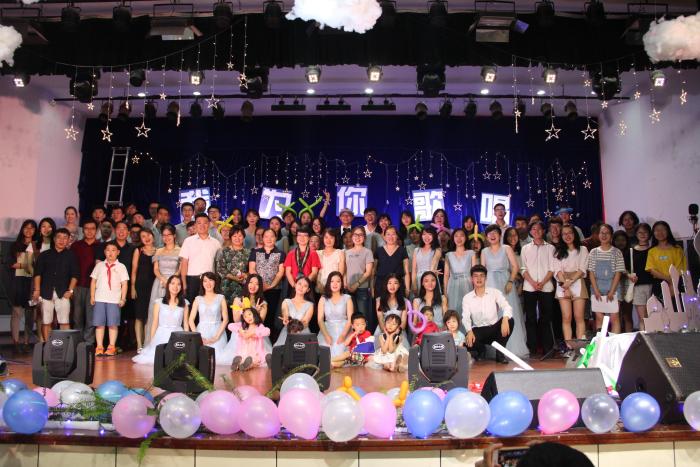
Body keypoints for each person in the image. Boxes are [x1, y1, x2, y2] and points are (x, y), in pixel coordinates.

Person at [481, 225, 528, 358]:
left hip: (505, 284)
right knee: (492, 315)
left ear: (500, 235)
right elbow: (482, 270)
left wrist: (510, 281)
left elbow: (515, 266)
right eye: (489, 233)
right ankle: (493, 349)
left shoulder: (506, 248)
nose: (492, 235)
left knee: (507, 313)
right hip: (490, 285)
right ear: (486, 237)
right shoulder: (484, 251)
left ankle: (512, 348)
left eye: (495, 233)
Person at [33, 228, 79, 342]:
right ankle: (47, 345)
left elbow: (75, 275)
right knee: (46, 321)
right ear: (54, 239)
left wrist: (70, 290)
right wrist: (37, 290)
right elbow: (37, 274)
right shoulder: (44, 255)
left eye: (65, 238)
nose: (61, 240)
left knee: (64, 321)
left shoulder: (71, 255)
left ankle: (65, 347)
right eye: (59, 237)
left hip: (63, 292)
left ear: (68, 240)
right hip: (45, 292)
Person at [461, 265, 513, 363]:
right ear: (472, 279)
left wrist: (505, 319)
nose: (479, 279)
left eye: (482, 276)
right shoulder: (467, 298)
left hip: (494, 329)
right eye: (476, 276)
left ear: (486, 278)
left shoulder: (495, 292)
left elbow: (507, 306)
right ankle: (481, 350)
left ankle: (500, 354)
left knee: (510, 320)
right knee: (466, 342)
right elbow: (465, 317)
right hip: (479, 330)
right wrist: (469, 331)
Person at [132, 276, 189, 364]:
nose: (175, 286)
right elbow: (155, 323)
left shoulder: (184, 303)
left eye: (178, 284)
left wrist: (187, 339)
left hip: (178, 335)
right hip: (161, 334)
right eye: (173, 283)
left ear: (181, 287)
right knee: (158, 358)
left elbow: (185, 323)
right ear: (168, 285)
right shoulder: (159, 302)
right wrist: (152, 340)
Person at [520, 221, 556, 355]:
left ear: (544, 230)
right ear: (530, 231)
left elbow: (552, 268)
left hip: (546, 287)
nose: (536, 231)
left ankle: (547, 347)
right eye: (534, 229)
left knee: (546, 318)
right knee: (530, 318)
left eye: (539, 229)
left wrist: (542, 282)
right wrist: (533, 282)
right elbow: (523, 268)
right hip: (529, 287)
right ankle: (532, 347)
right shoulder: (525, 248)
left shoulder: (550, 248)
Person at [221, 274, 270, 366]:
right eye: (251, 282)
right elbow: (236, 320)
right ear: (247, 284)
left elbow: (260, 323)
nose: (253, 286)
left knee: (258, 356)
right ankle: (241, 362)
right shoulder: (238, 300)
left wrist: (256, 312)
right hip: (241, 332)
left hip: (255, 335)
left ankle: (250, 362)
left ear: (260, 287)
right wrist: (242, 310)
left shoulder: (262, 303)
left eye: (257, 284)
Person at [90, 242, 129, 357]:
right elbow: (93, 281)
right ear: (104, 252)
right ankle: (99, 346)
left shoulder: (121, 267)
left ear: (118, 252)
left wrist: (123, 298)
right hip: (100, 298)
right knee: (99, 324)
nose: (110, 253)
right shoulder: (99, 266)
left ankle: (111, 346)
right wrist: (92, 296)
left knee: (113, 324)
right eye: (108, 250)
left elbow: (124, 284)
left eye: (113, 250)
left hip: (114, 299)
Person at [553, 225, 590, 346]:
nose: (567, 236)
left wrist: (570, 282)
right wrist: (566, 285)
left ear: (575, 234)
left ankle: (580, 347)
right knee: (566, 317)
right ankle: (569, 346)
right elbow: (557, 270)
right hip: (562, 283)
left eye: (570, 233)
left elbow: (582, 269)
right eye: (564, 234)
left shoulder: (583, 249)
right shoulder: (558, 251)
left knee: (579, 317)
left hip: (577, 281)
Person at [145, 224, 181, 345]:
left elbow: (180, 269)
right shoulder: (159, 251)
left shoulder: (180, 250)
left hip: (174, 283)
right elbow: (156, 269)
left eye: (169, 235)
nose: (166, 238)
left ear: (174, 235)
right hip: (159, 283)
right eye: (164, 235)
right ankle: (153, 343)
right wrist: (163, 279)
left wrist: (171, 281)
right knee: (156, 312)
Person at [249, 228, 286, 341]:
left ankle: (268, 341)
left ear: (276, 238)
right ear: (263, 238)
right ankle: (254, 337)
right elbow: (252, 269)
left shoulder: (281, 253)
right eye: (266, 236)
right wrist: (260, 285)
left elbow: (280, 272)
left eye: (272, 236)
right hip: (257, 289)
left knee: (270, 314)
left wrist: (271, 286)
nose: (269, 239)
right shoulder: (255, 252)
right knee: (255, 313)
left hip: (274, 289)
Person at [587, 224, 625, 334]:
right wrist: (596, 291)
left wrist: (612, 291)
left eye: (607, 233)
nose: (604, 235)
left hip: (613, 288)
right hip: (597, 288)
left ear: (611, 235)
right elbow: (591, 273)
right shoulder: (593, 252)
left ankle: (614, 342)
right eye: (601, 233)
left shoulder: (617, 252)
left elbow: (618, 273)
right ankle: (602, 341)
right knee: (599, 318)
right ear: (598, 235)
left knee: (614, 318)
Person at [7, 219, 38, 353]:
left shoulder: (37, 246)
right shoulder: (15, 245)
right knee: (16, 313)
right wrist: (28, 264)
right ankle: (15, 342)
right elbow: (11, 263)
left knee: (30, 314)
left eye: (32, 228)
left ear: (35, 230)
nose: (29, 230)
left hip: (32, 283)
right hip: (18, 282)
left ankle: (26, 342)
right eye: (26, 227)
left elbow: (39, 266)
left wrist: (24, 264)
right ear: (22, 229)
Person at [180, 213, 222, 305]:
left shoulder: (216, 243)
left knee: (208, 307)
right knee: (191, 307)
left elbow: (219, 265)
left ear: (209, 224)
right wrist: (184, 284)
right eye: (199, 223)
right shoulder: (188, 241)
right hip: (192, 280)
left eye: (205, 223)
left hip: (209, 281)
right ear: (195, 225)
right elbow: (184, 263)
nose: (202, 225)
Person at [187, 272, 229, 360]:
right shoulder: (198, 299)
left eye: (210, 280)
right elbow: (191, 320)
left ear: (215, 282)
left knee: (218, 359)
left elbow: (225, 319)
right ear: (202, 283)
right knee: (201, 359)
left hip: (217, 331)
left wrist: (216, 337)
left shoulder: (221, 298)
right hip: (201, 331)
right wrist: (198, 337)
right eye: (205, 281)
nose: (208, 283)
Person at [71, 219, 99, 346]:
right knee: (77, 316)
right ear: (83, 230)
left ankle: (88, 343)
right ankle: (77, 343)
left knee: (91, 317)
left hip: (94, 287)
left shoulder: (101, 246)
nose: (89, 231)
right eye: (86, 228)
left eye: (92, 228)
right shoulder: (76, 246)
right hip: (78, 285)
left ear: (96, 230)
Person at [646, 220, 687, 303]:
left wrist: (673, 282)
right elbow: (651, 269)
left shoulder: (677, 249)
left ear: (668, 231)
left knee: (678, 307)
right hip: (659, 284)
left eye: (663, 229)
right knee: (661, 309)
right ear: (653, 233)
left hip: (677, 283)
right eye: (657, 230)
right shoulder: (651, 251)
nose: (660, 232)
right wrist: (668, 279)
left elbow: (681, 268)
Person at [344, 226, 375, 330]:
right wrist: (345, 284)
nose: (358, 237)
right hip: (348, 289)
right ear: (352, 237)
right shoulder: (346, 252)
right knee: (350, 317)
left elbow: (368, 272)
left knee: (363, 317)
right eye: (355, 235)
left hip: (362, 288)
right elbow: (344, 270)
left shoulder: (367, 252)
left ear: (364, 237)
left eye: (360, 235)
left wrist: (356, 284)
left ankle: (365, 338)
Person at [131, 229, 156, 352]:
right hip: (140, 286)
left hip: (153, 286)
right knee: (139, 316)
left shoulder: (158, 251)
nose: (146, 238)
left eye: (148, 235)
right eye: (143, 236)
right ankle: (139, 344)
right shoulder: (138, 251)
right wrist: (132, 287)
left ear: (153, 236)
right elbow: (134, 270)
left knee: (149, 316)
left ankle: (147, 343)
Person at [318, 271, 353, 357]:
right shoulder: (323, 298)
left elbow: (350, 320)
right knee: (326, 351)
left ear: (342, 283)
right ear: (328, 283)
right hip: (327, 328)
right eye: (332, 281)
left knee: (341, 350)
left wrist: (343, 335)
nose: (335, 284)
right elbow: (320, 320)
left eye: (338, 281)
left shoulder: (347, 298)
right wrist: (326, 335)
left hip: (344, 329)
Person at [445, 228, 477, 319]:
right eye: (456, 236)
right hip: (453, 285)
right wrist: (445, 291)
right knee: (453, 310)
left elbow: (474, 272)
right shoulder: (448, 255)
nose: (459, 238)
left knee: (468, 309)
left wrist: (476, 288)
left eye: (462, 235)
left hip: (467, 284)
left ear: (466, 238)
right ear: (453, 238)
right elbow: (446, 275)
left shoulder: (471, 253)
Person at [275, 276, 314, 346]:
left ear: (308, 290)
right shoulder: (286, 301)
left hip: (303, 334)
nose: (301, 287)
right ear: (295, 285)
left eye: (305, 286)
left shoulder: (310, 305)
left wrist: (297, 327)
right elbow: (285, 314)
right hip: (287, 333)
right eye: (299, 284)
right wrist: (286, 320)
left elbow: (305, 322)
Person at [215, 225, 249, 304]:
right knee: (226, 309)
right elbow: (220, 269)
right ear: (231, 237)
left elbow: (251, 270)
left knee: (241, 308)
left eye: (240, 236)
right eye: (234, 236)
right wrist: (234, 277)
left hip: (243, 288)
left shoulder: (249, 252)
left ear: (244, 237)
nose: (237, 238)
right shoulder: (224, 251)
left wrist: (245, 275)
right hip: (226, 287)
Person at [374, 274, 409, 349]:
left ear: (399, 285)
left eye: (395, 283)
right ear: (386, 285)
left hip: (398, 331)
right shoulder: (379, 300)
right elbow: (380, 319)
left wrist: (396, 333)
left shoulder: (404, 301)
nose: (392, 286)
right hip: (383, 330)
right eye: (389, 283)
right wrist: (387, 333)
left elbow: (403, 322)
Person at [630, 223, 654, 330]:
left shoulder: (654, 250)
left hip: (654, 286)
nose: (643, 234)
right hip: (638, 286)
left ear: (649, 234)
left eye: (645, 232)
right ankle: (645, 338)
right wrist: (629, 276)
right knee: (642, 318)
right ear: (636, 234)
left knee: (654, 316)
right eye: (640, 232)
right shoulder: (632, 251)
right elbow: (625, 269)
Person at [284, 226, 320, 292]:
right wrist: (294, 285)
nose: (302, 238)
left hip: (307, 286)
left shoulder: (313, 253)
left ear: (309, 238)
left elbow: (314, 272)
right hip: (293, 285)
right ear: (296, 237)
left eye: (305, 235)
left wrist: (304, 284)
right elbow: (288, 272)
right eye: (299, 235)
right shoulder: (291, 253)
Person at [613, 229, 634, 332]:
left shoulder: (631, 253)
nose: (620, 243)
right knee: (615, 313)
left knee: (627, 314)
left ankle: (629, 336)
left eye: (623, 240)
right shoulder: (611, 253)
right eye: (618, 240)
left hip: (627, 284)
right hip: (614, 285)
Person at [411, 227, 442, 295]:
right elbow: (414, 269)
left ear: (434, 236)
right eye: (424, 234)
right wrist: (414, 284)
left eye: (429, 234)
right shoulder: (416, 250)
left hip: (430, 279)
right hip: (418, 279)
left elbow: (434, 264)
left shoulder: (437, 250)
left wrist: (432, 271)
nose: (426, 237)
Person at [317, 228, 345, 295]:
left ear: (335, 239)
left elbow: (341, 273)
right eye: (326, 237)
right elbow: (316, 271)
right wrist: (318, 284)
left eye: (331, 237)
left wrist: (334, 285)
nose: (328, 240)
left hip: (335, 287)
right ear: (323, 238)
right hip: (320, 287)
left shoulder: (340, 253)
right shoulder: (318, 253)